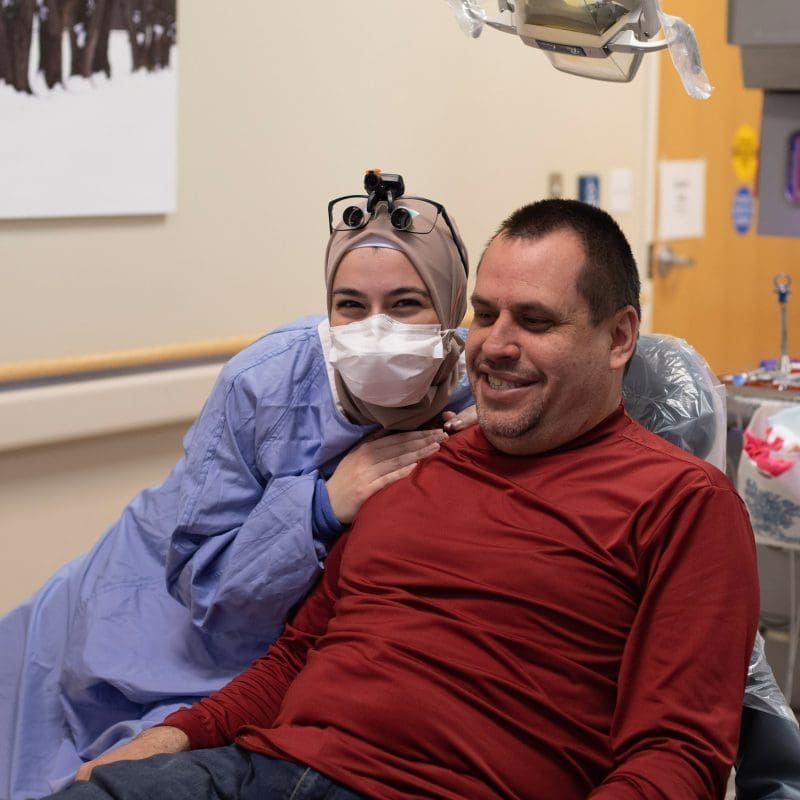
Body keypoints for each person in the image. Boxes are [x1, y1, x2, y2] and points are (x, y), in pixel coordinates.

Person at [47, 199, 760, 800]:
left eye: (534, 321)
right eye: (484, 314)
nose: (495, 346)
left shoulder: (682, 504)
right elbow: (296, 656)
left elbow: (676, 756)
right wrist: (173, 738)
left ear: (619, 337)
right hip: (261, 772)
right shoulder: (416, 463)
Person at [0, 172, 477, 800]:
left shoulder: (483, 388)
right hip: (149, 608)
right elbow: (201, 578)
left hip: (299, 654)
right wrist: (321, 506)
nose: (375, 329)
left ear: (451, 313)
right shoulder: (265, 382)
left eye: (407, 304)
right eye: (351, 306)